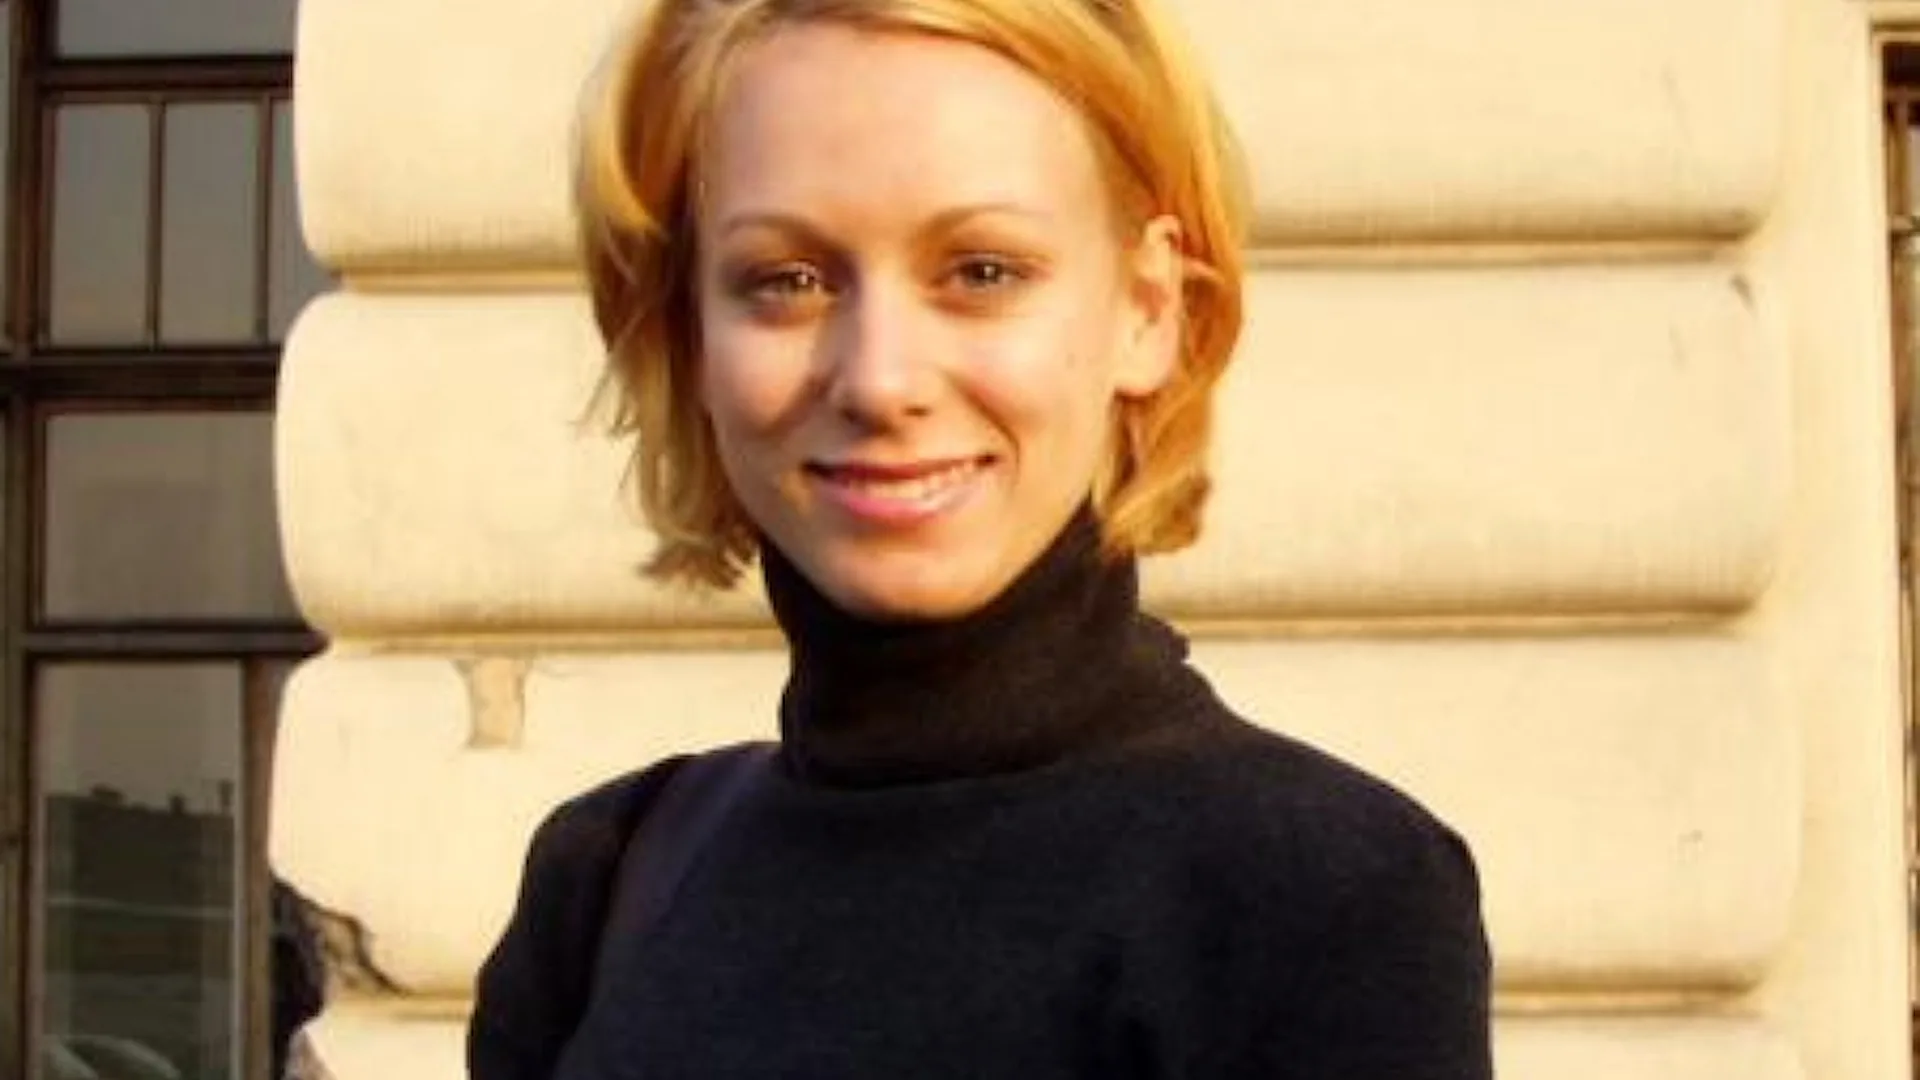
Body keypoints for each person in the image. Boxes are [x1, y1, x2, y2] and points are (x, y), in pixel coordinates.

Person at [469, 0, 1493, 1076]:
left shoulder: (1313, 893)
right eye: (787, 280)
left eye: (981, 272)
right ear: (686, 336)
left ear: (1148, 309)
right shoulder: (606, 881)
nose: (880, 380)